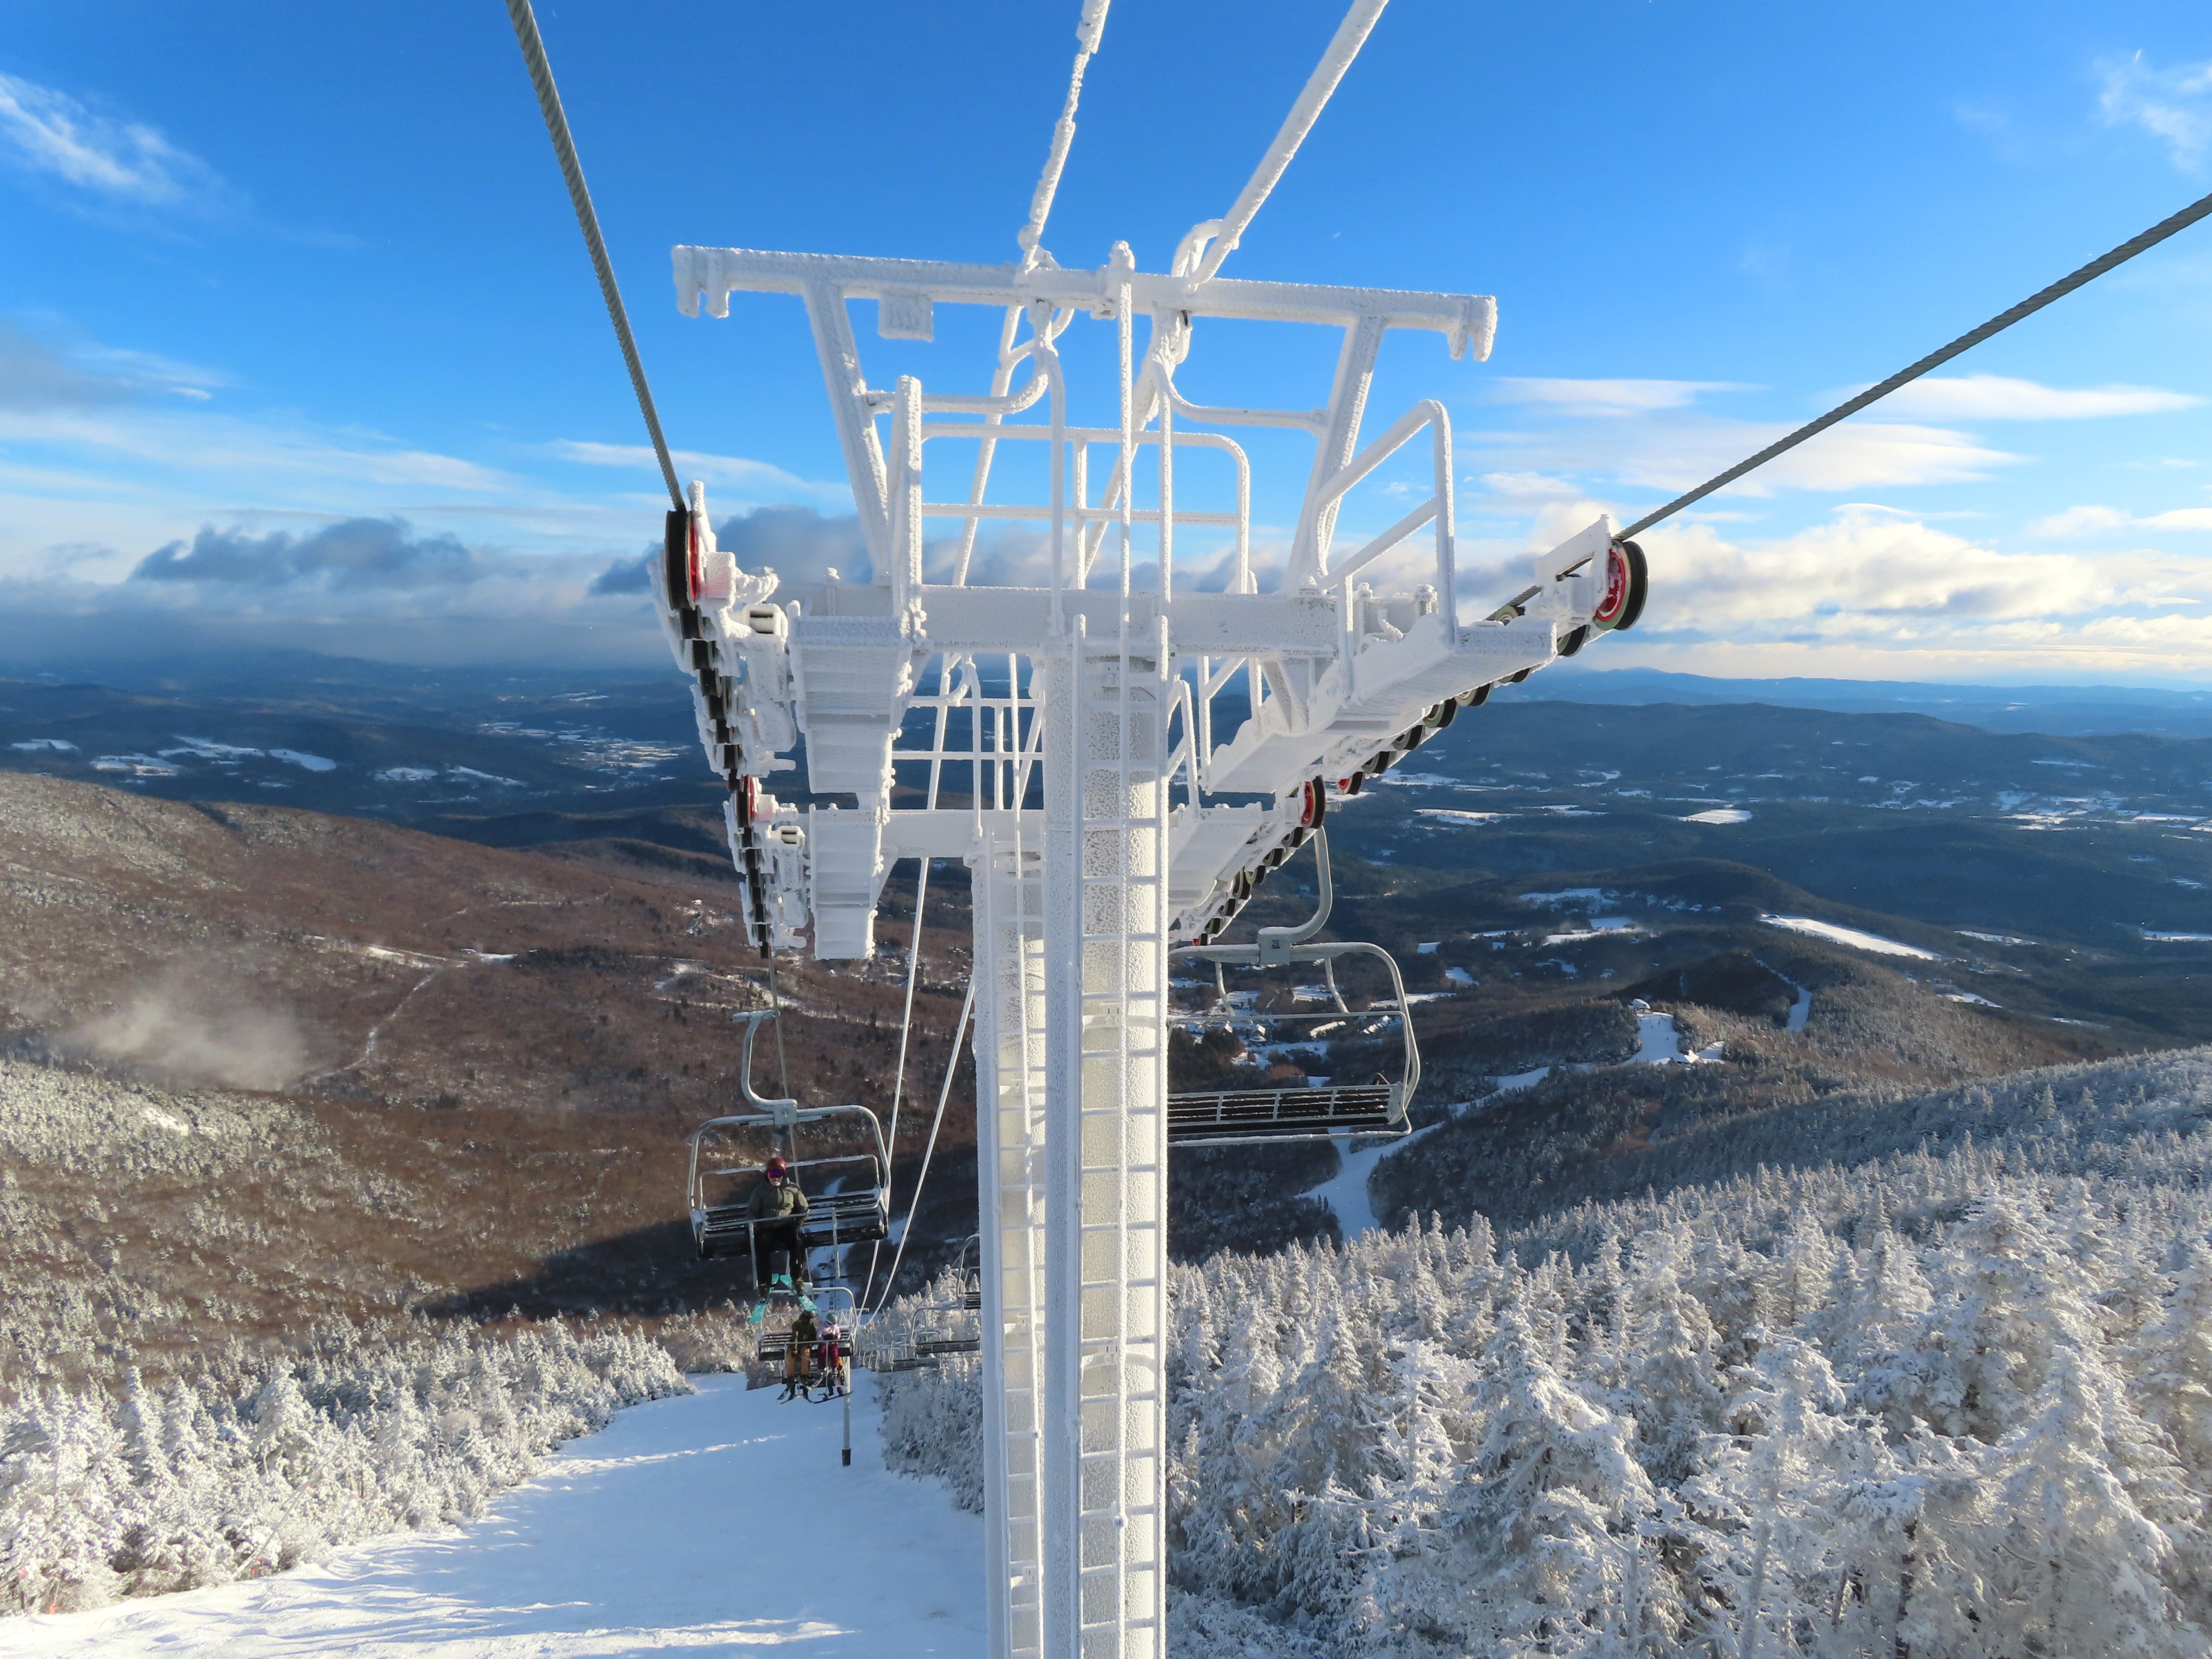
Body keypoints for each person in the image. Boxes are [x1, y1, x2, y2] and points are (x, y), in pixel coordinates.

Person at [745, 1155, 810, 1288]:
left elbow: (804, 1208)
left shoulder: (792, 1189)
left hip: (786, 1226)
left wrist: (799, 1220)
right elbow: (752, 1211)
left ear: (784, 1174)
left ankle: (797, 1277)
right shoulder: (761, 1191)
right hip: (767, 1227)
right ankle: (764, 1282)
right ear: (767, 1174)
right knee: (762, 1244)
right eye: (772, 1174)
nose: (776, 1178)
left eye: (778, 1174)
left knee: (797, 1242)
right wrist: (753, 1225)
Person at [785, 1305, 819, 1392]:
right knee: (790, 1356)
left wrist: (810, 1345)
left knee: (806, 1354)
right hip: (795, 1344)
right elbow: (795, 1337)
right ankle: (790, 1377)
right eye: (811, 1318)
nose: (812, 1320)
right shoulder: (798, 1324)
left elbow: (813, 1336)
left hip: (805, 1345)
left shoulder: (811, 1326)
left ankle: (805, 1376)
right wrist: (795, 1349)